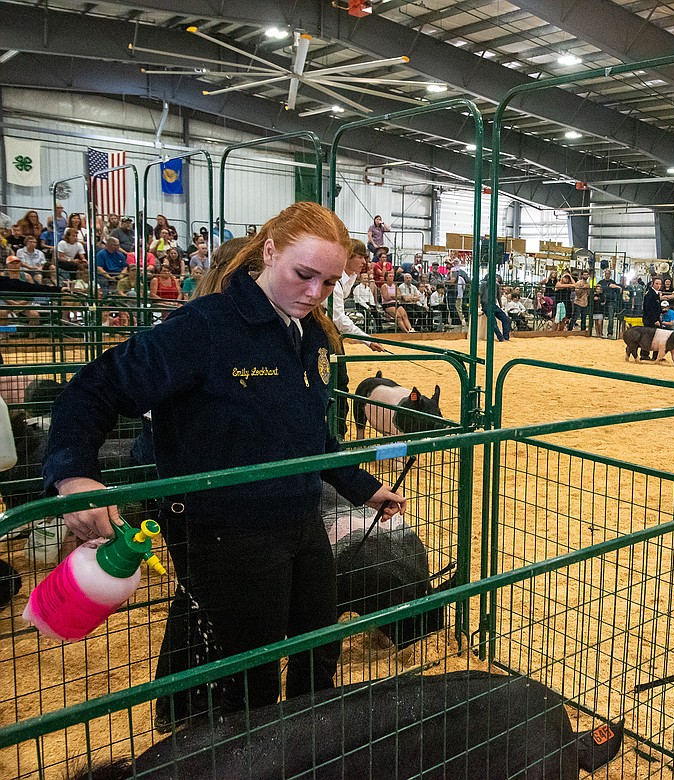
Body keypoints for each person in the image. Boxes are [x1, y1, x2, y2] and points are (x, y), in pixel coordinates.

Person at [41, 201, 407, 730]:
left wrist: (360, 486)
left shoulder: (305, 333)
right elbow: (92, 389)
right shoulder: (204, 327)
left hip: (298, 519)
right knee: (247, 679)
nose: (314, 293)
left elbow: (305, 431)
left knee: (318, 652)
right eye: (303, 275)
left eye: (328, 283)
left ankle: (313, 753)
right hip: (224, 530)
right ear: (269, 251)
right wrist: (75, 476)